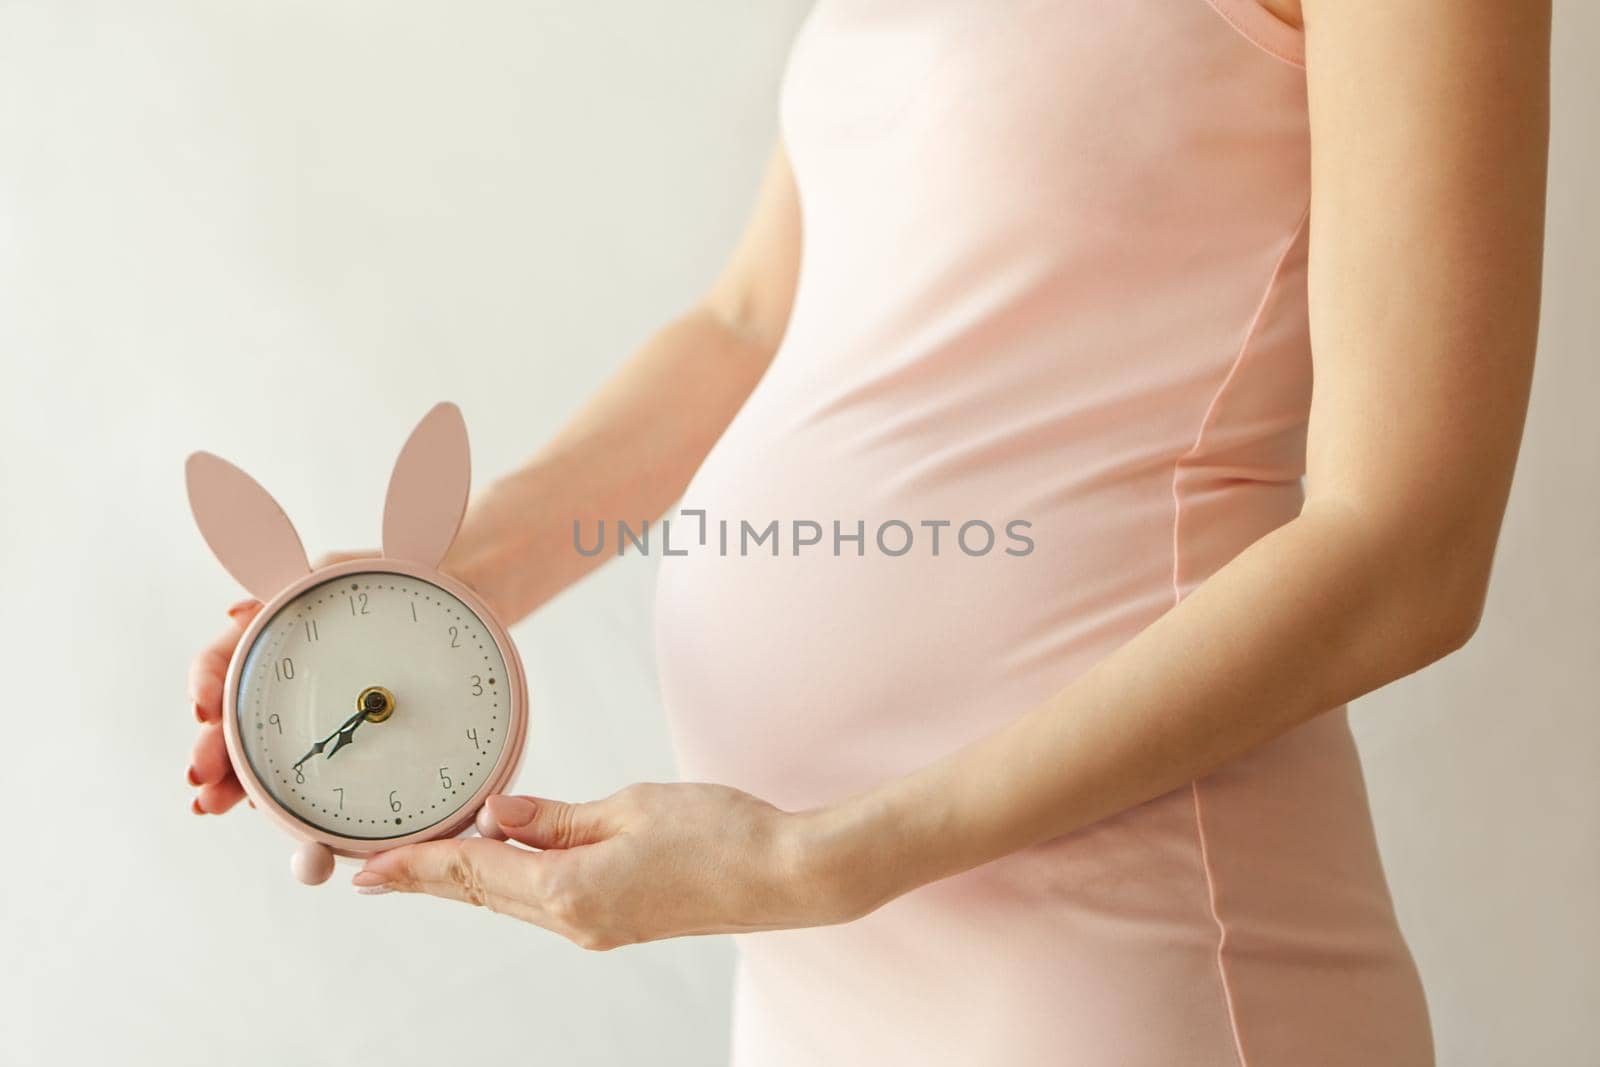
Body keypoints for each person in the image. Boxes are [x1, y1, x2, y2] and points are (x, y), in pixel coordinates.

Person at [186, 1, 1550, 1062]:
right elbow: (746, 325)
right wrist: (407, 606)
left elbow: (1407, 548)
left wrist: (833, 856)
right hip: (813, 966)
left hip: (1132, 959)